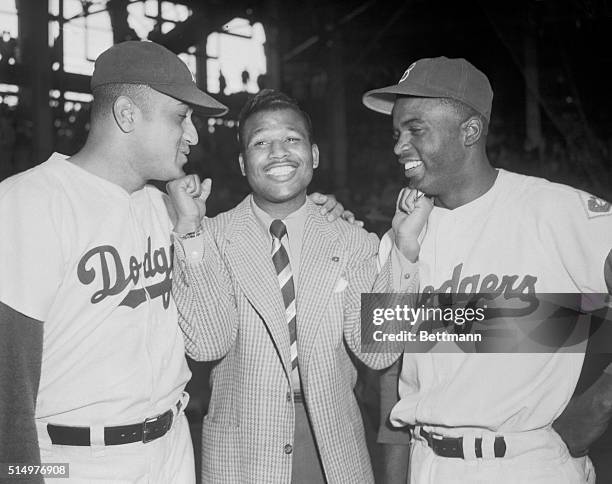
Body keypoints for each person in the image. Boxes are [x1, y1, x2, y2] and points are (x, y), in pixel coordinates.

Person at [0, 41, 345, 483]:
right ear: (126, 115)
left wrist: (319, 218)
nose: (194, 135)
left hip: (172, 447)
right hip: (77, 458)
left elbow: (213, 329)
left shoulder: (168, 209)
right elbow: (8, 382)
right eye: (180, 117)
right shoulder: (30, 201)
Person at [361, 56, 612, 483]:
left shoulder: (554, 210)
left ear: (470, 131)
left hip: (526, 462)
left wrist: (601, 401)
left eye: (415, 129)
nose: (399, 145)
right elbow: (388, 372)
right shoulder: (400, 238)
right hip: (429, 464)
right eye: (397, 132)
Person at [167, 89, 429, 484]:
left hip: (332, 446)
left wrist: (405, 251)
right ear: (242, 163)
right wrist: (189, 232)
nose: (278, 153)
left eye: (292, 139)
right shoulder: (212, 237)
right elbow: (206, 344)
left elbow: (377, 353)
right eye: (260, 143)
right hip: (243, 450)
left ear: (315, 155)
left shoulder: (353, 240)